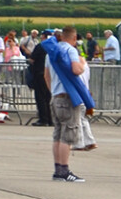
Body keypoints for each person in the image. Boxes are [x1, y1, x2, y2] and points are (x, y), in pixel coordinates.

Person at [40, 27, 93, 182]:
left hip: (56, 96)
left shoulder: (51, 53)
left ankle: (57, 169)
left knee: (57, 133)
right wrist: (83, 64)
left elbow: (46, 75)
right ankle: (65, 170)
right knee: (68, 135)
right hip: (69, 97)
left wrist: (53, 92)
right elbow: (76, 70)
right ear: (74, 37)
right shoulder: (70, 51)